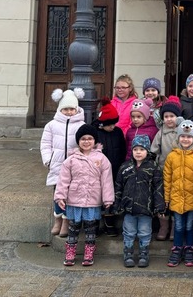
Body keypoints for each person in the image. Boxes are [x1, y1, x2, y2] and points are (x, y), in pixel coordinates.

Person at [54, 124, 115, 267]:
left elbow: (106, 180)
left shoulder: (101, 158)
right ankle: (70, 252)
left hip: (92, 200)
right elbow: (63, 180)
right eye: (83, 139)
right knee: (73, 227)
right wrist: (60, 196)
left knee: (90, 227)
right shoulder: (71, 159)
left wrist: (108, 198)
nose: (86, 142)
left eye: (90, 139)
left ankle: (89, 253)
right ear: (78, 141)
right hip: (74, 199)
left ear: (94, 141)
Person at [113, 134, 165, 268]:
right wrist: (117, 204)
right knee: (128, 232)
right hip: (128, 207)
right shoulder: (125, 167)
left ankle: (144, 254)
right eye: (135, 149)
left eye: (141, 149)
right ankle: (128, 254)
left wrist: (160, 206)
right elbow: (118, 186)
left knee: (144, 232)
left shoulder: (153, 167)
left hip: (146, 208)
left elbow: (158, 188)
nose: (138, 152)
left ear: (147, 150)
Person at [40, 88, 86, 238]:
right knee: (58, 193)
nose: (69, 112)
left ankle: (66, 220)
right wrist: (48, 159)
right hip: (57, 165)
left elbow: (84, 144)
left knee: (70, 194)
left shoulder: (81, 125)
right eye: (65, 109)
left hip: (73, 167)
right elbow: (45, 144)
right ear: (60, 109)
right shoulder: (51, 125)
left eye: (72, 109)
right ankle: (57, 219)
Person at [164, 119, 193, 267]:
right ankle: (177, 248)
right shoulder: (172, 156)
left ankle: (189, 249)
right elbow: (167, 178)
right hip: (176, 197)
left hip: (192, 197)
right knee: (179, 226)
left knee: (190, 225)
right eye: (183, 136)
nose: (185, 139)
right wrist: (166, 198)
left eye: (189, 137)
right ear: (178, 137)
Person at [150, 95, 183, 240]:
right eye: (166, 116)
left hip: (179, 171)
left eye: (172, 116)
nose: (169, 119)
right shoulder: (161, 133)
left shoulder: (181, 131)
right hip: (163, 170)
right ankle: (164, 226)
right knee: (163, 199)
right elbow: (154, 150)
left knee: (175, 199)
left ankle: (175, 227)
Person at [94, 97, 126, 236]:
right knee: (97, 197)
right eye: (110, 124)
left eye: (114, 123)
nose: (113, 126)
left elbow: (122, 149)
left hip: (114, 169)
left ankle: (109, 221)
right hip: (98, 171)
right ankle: (95, 222)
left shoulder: (117, 132)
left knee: (110, 197)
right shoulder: (95, 132)